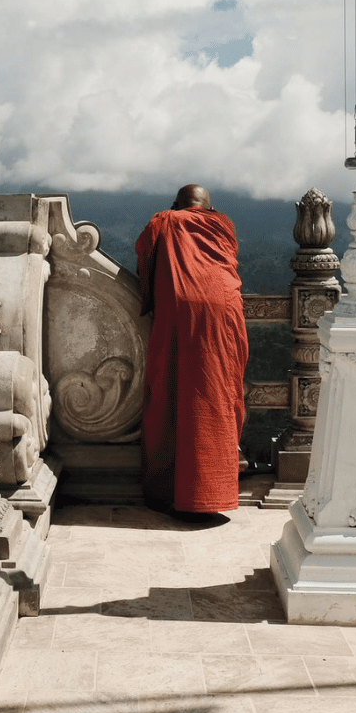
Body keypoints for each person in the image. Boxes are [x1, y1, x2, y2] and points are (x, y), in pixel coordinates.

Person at [135, 184, 249, 516]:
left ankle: (169, 491)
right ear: (209, 209)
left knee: (169, 391)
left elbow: (146, 259)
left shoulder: (165, 221)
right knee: (221, 394)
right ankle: (216, 491)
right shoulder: (223, 224)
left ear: (177, 205)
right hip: (225, 311)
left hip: (178, 310)